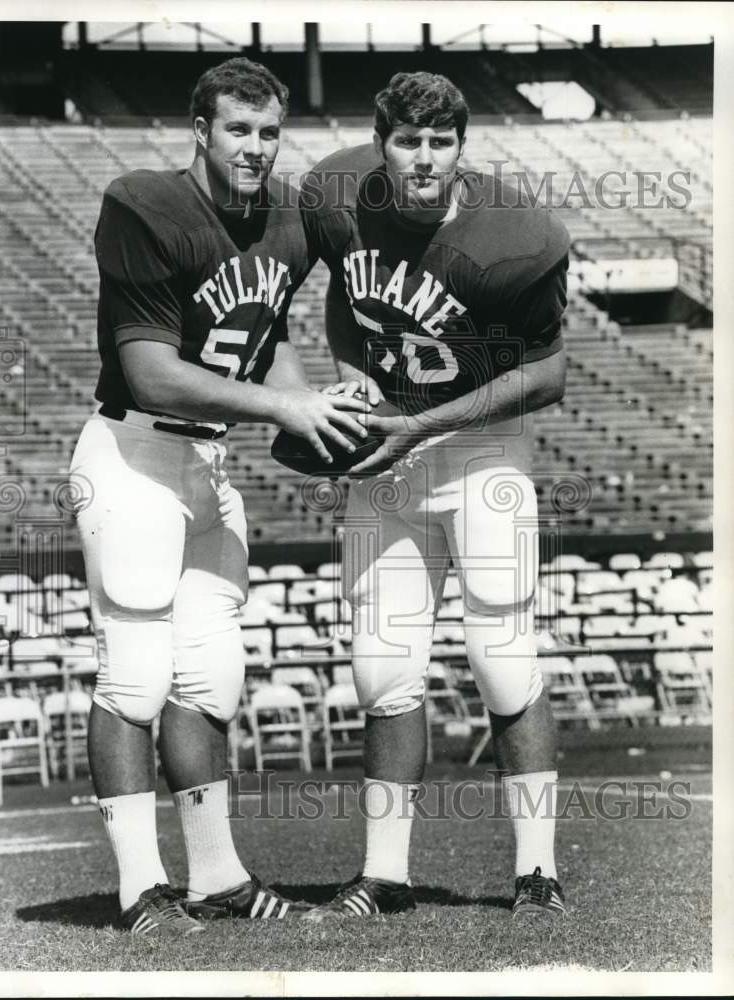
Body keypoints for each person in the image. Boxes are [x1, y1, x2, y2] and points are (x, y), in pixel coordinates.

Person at [69, 57, 368, 935]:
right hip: (133, 453)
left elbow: (263, 335)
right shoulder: (142, 203)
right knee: (133, 676)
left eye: (270, 132)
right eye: (239, 129)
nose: (256, 147)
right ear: (200, 130)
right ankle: (139, 892)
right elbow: (153, 373)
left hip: (208, 466)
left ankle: (219, 880)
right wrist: (285, 405)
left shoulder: (288, 217)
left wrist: (319, 409)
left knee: (211, 678)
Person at [300, 71, 570, 918]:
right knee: (383, 668)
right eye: (408, 142)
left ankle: (536, 871)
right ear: (381, 144)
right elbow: (348, 305)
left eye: (440, 143)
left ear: (462, 146)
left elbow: (550, 372)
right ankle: (385, 875)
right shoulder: (334, 196)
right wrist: (354, 389)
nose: (424, 160)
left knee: (504, 655)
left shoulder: (519, 233)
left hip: (481, 449)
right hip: (390, 449)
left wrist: (422, 428)